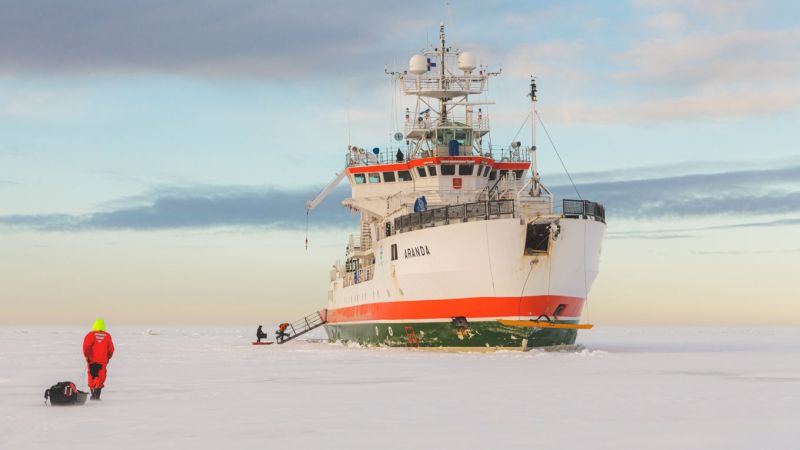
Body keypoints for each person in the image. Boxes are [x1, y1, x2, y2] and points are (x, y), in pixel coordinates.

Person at [82, 319, 115, 400]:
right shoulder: (107, 336)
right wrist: (108, 358)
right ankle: (97, 396)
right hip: (102, 361)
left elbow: (86, 347)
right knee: (100, 377)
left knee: (92, 376)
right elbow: (111, 349)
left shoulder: (90, 335)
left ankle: (93, 395)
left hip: (92, 361)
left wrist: (87, 356)